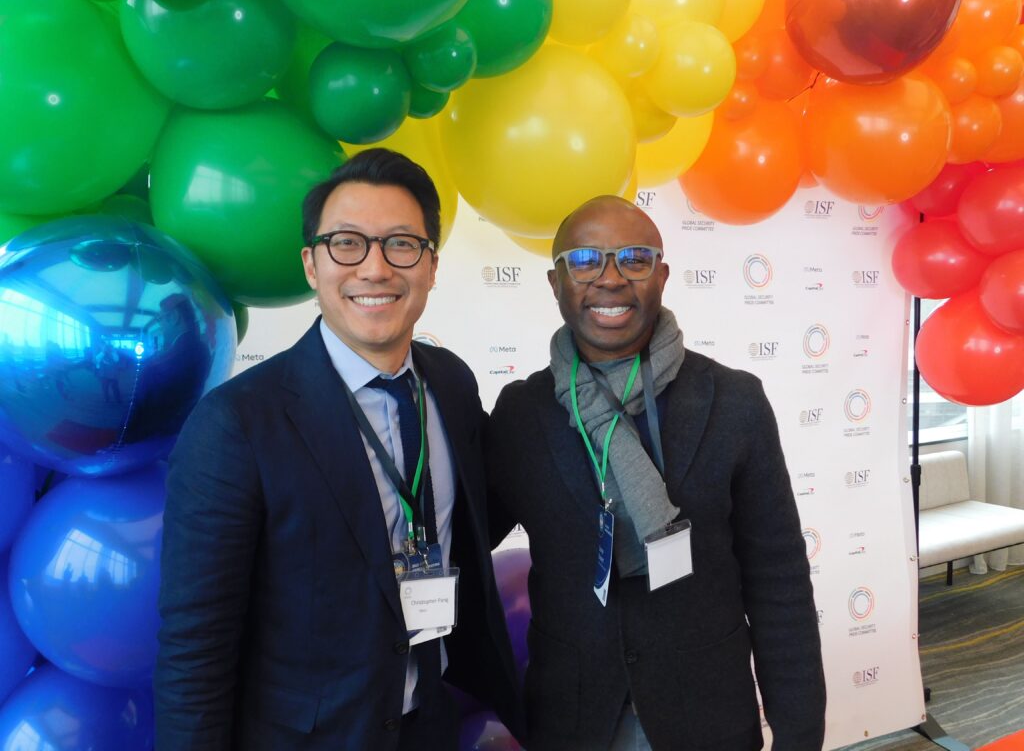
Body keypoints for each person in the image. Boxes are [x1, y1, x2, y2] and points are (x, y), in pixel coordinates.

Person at [155, 149, 522, 751]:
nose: (374, 269)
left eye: (401, 244)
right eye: (347, 244)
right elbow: (196, 646)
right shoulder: (238, 422)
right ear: (311, 264)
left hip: (429, 725)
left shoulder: (452, 385)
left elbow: (476, 515)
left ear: (431, 265)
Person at [486, 195, 826, 751]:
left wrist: (798, 734)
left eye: (635, 259)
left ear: (662, 276)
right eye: (585, 260)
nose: (610, 278)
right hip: (572, 720)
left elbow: (779, 581)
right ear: (555, 284)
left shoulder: (734, 402)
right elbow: (464, 536)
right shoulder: (523, 414)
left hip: (707, 715)